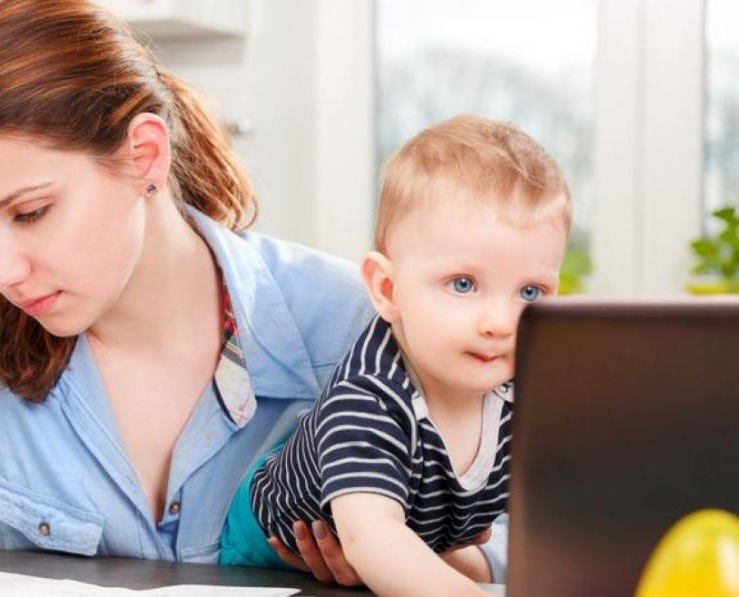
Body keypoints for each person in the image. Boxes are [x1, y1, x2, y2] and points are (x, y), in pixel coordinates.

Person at [0, 1, 507, 595]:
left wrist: (432, 558)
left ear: (144, 155)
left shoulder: (346, 320)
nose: (1, 269)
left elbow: (527, 531)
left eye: (30, 212)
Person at [219, 115, 571, 596]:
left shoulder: (523, 386)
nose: (500, 322)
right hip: (266, 561)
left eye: (529, 291)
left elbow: (565, 513)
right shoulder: (369, 397)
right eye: (463, 284)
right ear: (387, 289)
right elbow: (372, 538)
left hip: (409, 537)